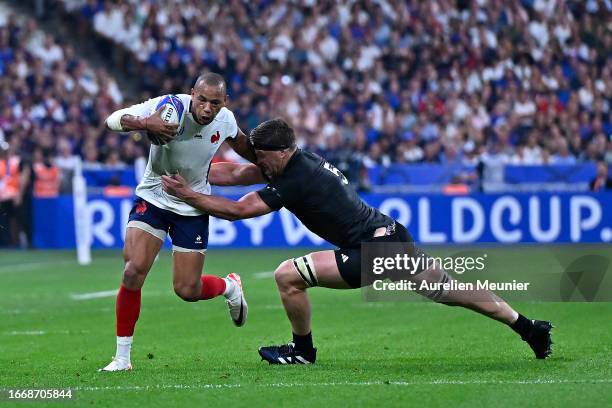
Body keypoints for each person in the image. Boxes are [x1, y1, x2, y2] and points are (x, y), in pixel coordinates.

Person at [161, 118, 554, 365]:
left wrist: (188, 195)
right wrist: (188, 166)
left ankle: (303, 351)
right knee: (447, 290)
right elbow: (234, 173)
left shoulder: (295, 177)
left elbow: (238, 210)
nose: (258, 163)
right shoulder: (294, 162)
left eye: (262, 157)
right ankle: (528, 328)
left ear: (281, 152)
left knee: (287, 276)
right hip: (390, 236)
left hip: (373, 250)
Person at [99, 72, 254, 372]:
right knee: (133, 272)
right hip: (154, 197)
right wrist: (146, 123)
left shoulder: (226, 121)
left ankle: (229, 286)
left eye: (216, 103)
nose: (208, 108)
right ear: (192, 93)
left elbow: (246, 148)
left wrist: (275, 163)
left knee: (187, 290)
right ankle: (122, 358)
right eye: (203, 100)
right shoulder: (169, 107)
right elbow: (112, 120)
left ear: (225, 103)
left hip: (192, 206)